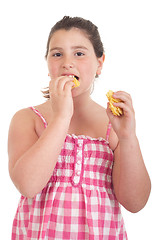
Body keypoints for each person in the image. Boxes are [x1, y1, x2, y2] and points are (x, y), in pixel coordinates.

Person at [8, 16, 151, 240]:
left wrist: (127, 137)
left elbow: (135, 202)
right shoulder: (28, 119)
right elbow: (27, 185)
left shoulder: (111, 124)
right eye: (57, 54)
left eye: (79, 53)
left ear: (100, 63)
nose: (67, 62)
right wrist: (62, 116)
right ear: (47, 64)